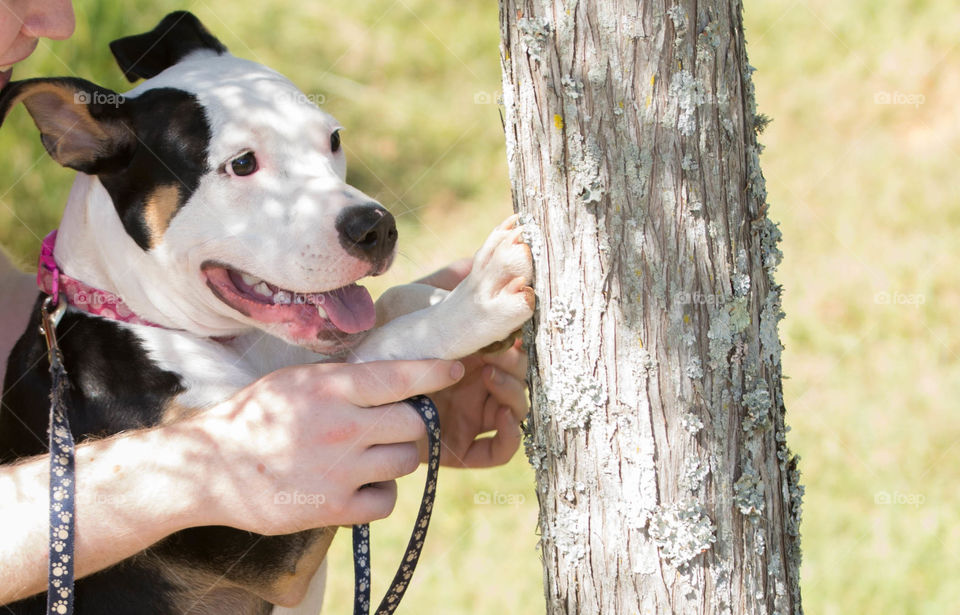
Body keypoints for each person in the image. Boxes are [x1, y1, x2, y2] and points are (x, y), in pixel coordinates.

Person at [0, 2, 529, 606]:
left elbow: (294, 432)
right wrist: (437, 334)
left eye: (327, 143)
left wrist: (407, 364)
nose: (54, 21)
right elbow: (280, 560)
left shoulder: (154, 310)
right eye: (242, 165)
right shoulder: (111, 380)